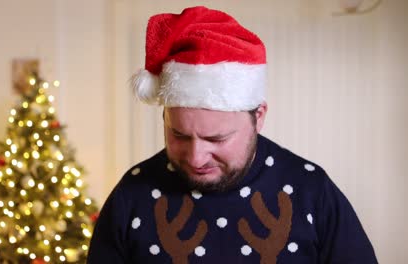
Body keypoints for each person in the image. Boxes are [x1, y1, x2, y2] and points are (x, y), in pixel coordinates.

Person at [87, 6, 377, 264]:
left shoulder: (312, 191)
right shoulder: (132, 195)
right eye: (179, 135)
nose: (195, 157)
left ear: (259, 117)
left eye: (216, 139)